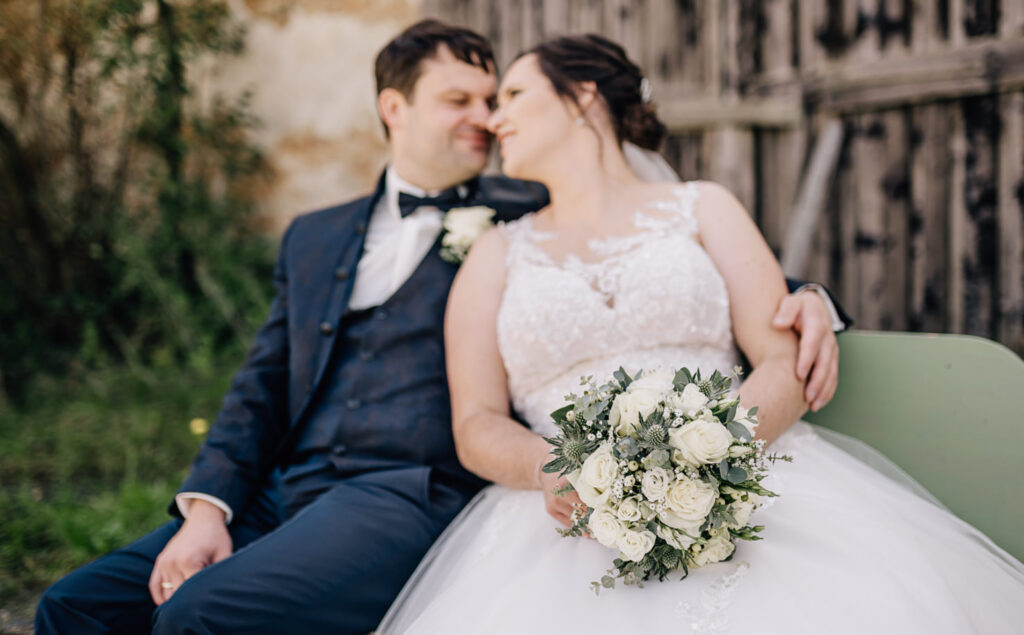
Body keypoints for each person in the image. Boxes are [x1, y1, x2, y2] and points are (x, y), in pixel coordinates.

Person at [35, 21, 845, 634]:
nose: (488, 120)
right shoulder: (314, 235)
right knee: (71, 610)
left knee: (201, 616)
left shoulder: (525, 209)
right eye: (461, 101)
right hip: (282, 493)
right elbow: (257, 387)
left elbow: (670, 255)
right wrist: (208, 508)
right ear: (395, 107)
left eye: (498, 100)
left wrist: (812, 298)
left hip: (400, 490)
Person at [376, 34, 1024, 634]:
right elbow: (477, 419)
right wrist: (557, 472)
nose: (494, 119)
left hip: (745, 473)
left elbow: (780, 358)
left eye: (513, 94)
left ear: (582, 97)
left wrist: (705, 457)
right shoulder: (493, 253)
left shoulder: (703, 206)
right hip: (559, 518)